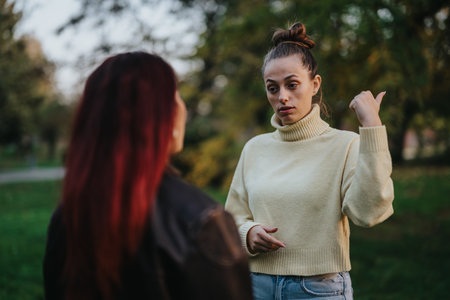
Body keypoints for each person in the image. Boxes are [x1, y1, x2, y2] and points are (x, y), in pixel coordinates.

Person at [43, 52, 253, 300]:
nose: (182, 107)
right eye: (176, 95)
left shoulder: (68, 216)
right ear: (162, 117)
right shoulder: (202, 221)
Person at [224, 22, 395, 299]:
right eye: (272, 88)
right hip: (256, 286)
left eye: (292, 84)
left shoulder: (345, 144)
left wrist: (372, 127)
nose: (282, 97)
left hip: (318, 290)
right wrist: (248, 232)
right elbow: (231, 218)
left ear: (315, 84)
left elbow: (368, 213)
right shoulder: (254, 148)